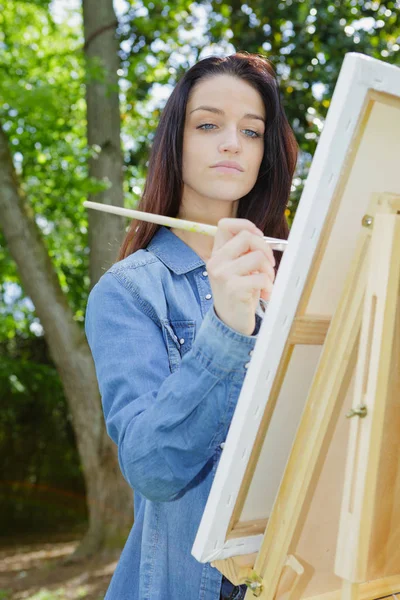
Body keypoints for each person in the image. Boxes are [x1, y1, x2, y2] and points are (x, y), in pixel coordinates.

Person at [85, 52, 297, 600]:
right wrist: (228, 328)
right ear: (173, 145)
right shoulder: (128, 290)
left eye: (251, 132)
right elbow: (151, 468)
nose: (232, 142)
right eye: (208, 125)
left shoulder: (297, 276)